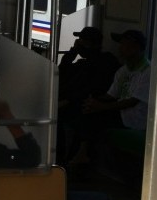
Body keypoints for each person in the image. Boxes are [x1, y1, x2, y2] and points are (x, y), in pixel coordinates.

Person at [58, 27, 120, 164]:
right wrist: (72, 52)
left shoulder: (105, 62)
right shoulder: (83, 63)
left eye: (82, 41)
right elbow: (61, 73)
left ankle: (64, 159)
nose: (78, 43)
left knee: (61, 116)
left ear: (90, 44)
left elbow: (92, 88)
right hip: (75, 102)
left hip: (86, 105)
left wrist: (67, 101)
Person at [83, 30, 151, 132]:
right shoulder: (123, 70)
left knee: (93, 119)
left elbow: (132, 102)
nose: (120, 48)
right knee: (83, 111)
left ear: (135, 47)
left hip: (135, 119)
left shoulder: (148, 71)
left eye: (123, 44)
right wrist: (92, 101)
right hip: (121, 113)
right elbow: (111, 95)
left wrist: (102, 107)